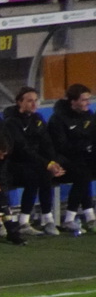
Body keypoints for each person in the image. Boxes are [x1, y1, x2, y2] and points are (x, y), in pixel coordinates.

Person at [2, 87, 66, 236]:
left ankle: (46, 219)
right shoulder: (11, 122)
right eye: (29, 100)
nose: (34, 104)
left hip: (37, 163)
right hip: (14, 164)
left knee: (45, 174)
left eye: (35, 100)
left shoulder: (37, 119)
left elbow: (47, 143)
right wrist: (47, 164)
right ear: (19, 102)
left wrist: (53, 163)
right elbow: (22, 149)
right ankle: (25, 221)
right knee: (37, 175)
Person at [49, 84, 96, 234]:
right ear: (73, 101)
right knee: (83, 174)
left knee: (85, 170)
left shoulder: (90, 115)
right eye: (84, 100)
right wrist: (84, 146)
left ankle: (89, 216)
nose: (88, 103)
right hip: (62, 162)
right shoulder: (58, 119)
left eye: (89, 99)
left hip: (84, 160)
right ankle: (71, 219)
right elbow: (61, 146)